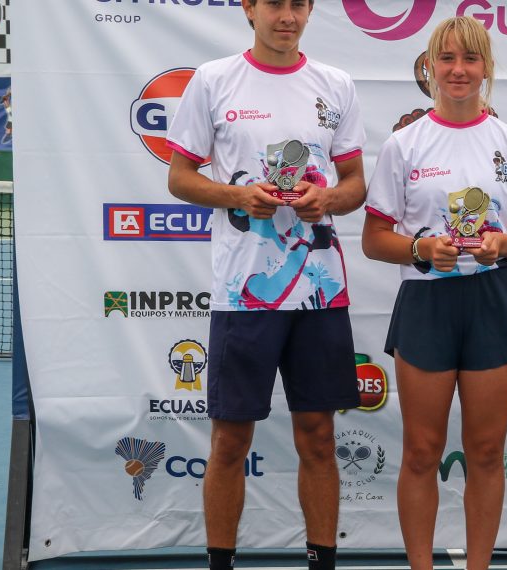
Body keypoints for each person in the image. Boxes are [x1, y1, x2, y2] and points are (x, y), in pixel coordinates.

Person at [165, 1, 366, 569]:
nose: (287, 15)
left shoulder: (336, 84)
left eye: (298, 4)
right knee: (230, 441)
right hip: (243, 293)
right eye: (274, 2)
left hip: (321, 293)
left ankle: (322, 561)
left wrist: (327, 199)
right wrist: (237, 195)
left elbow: (355, 184)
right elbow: (179, 177)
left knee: (319, 436)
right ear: (249, 8)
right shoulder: (214, 80)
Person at [360, 16, 507, 570]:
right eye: (447, 58)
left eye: (470, 58)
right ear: (429, 67)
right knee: (421, 451)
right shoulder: (404, 144)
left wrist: (503, 244)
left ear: (486, 67)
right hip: (427, 303)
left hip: (492, 299)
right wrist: (420, 249)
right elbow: (374, 239)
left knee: (486, 451)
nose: (459, 70)